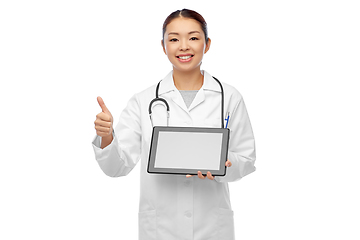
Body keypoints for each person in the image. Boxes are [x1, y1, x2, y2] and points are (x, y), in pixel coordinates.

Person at [92, 9, 256, 240]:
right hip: (161, 228)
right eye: (174, 39)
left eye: (193, 37)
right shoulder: (143, 100)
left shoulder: (229, 97)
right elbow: (116, 167)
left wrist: (224, 165)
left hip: (211, 228)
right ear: (163, 46)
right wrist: (107, 136)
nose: (184, 46)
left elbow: (247, 160)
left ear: (207, 44)